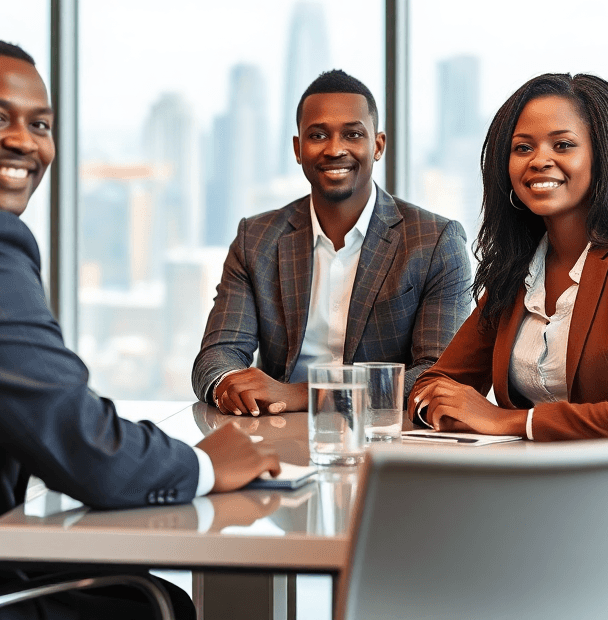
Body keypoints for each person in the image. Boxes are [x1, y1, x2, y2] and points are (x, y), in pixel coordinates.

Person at [0, 39, 280, 620]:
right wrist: (207, 464)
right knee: (151, 602)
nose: (24, 141)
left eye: (40, 124)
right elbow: (87, 449)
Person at [408, 72, 608, 620]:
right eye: (522, 147)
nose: (540, 159)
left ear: (602, 157)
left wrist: (507, 422)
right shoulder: (518, 268)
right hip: (536, 511)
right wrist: (436, 405)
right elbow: (437, 382)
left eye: (563, 145)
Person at [192, 69, 471, 416]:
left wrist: (307, 395)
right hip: (275, 432)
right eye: (318, 135)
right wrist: (229, 384)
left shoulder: (434, 242)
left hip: (384, 439)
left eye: (353, 134)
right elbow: (217, 354)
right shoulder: (257, 239)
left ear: (378, 145)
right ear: (298, 148)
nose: (335, 149)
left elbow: (436, 376)